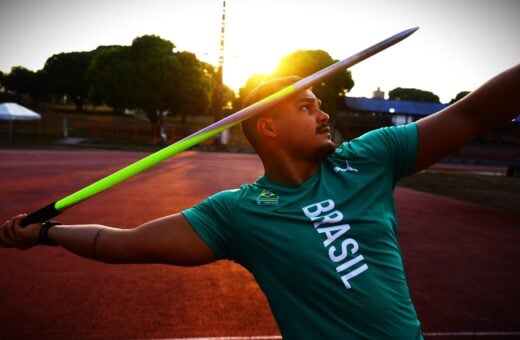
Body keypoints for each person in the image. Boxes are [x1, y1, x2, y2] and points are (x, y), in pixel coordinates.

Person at [1, 63, 519, 339]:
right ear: (268, 126)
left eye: (321, 106)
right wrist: (44, 232)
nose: (324, 115)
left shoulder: (368, 158)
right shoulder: (236, 213)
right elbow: (123, 243)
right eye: (307, 106)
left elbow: (473, 115)